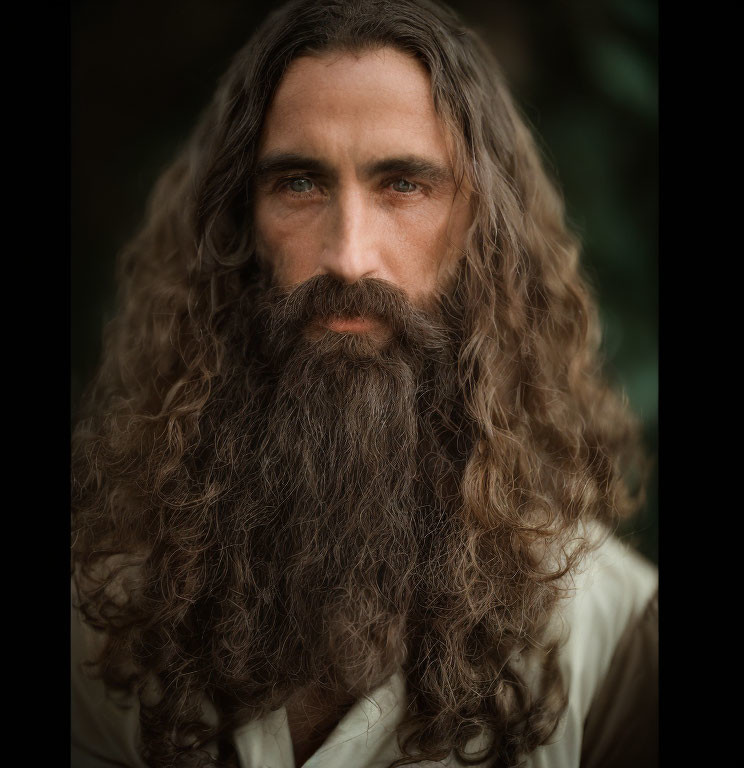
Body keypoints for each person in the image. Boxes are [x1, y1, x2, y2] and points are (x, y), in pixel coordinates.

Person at [70, 0, 658, 766]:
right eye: (301, 183)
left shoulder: (611, 640)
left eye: (405, 185)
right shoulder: (96, 620)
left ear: (484, 234)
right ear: (239, 228)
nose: (348, 258)